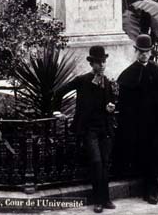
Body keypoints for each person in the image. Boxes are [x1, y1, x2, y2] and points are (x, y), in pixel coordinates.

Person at [62, 46, 117, 213]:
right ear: (92, 64)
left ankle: (106, 199)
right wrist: (56, 111)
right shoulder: (82, 80)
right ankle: (98, 201)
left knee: (105, 164)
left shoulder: (108, 82)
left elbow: (111, 103)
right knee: (97, 163)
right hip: (89, 130)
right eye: (98, 62)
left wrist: (111, 106)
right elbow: (59, 92)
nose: (102, 65)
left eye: (104, 62)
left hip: (105, 129)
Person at [117, 34, 158, 205]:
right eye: (141, 51)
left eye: (147, 51)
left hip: (155, 123)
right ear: (136, 51)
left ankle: (152, 189)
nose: (144, 54)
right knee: (144, 156)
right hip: (138, 124)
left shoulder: (156, 70)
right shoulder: (128, 74)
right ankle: (149, 190)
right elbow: (124, 104)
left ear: (151, 51)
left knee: (154, 156)